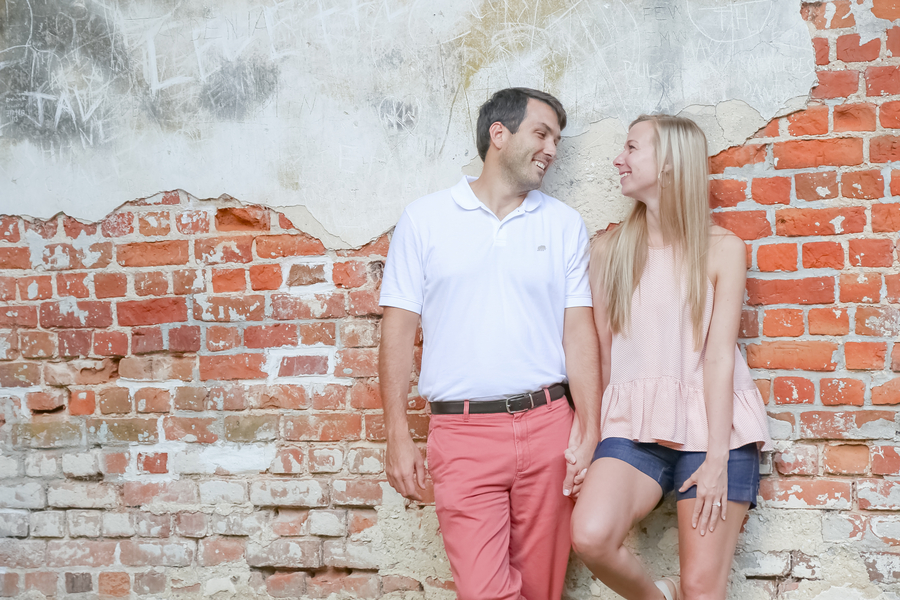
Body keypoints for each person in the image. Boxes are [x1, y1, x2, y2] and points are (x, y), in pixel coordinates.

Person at [378, 87, 601, 600]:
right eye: (541, 134)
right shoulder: (425, 219)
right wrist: (396, 433)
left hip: (549, 427)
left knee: (542, 591)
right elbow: (398, 329)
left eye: (558, 140)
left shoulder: (564, 225)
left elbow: (578, 333)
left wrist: (587, 428)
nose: (552, 149)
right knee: (484, 592)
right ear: (498, 134)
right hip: (463, 433)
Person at [570, 114, 772, 600]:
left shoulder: (723, 249)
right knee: (591, 535)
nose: (618, 158)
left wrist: (719, 458)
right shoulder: (608, 250)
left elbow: (720, 357)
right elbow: (600, 351)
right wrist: (591, 434)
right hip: (632, 426)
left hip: (713, 429)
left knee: (703, 592)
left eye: (632, 148)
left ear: (669, 164)